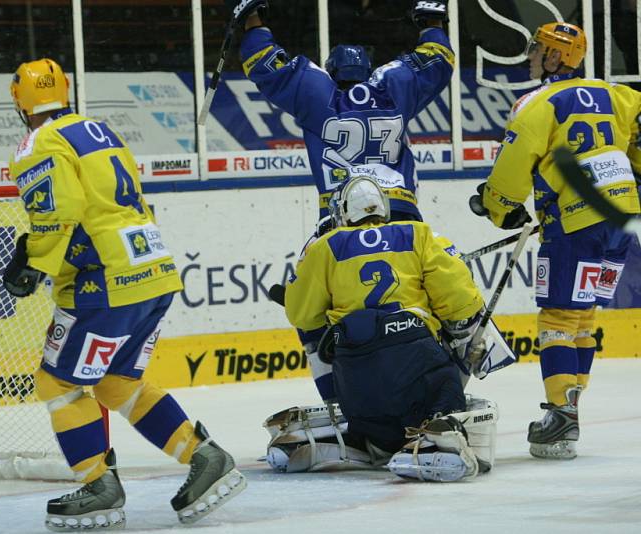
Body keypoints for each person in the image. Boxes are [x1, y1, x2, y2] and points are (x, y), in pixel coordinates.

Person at [4, 58, 246, 530]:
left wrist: (35, 262)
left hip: (105, 280)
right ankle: (204, 456)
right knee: (116, 382)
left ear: (20, 101)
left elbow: (61, 208)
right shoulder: (97, 129)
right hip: (152, 270)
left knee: (58, 382)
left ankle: (98, 485)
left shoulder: (39, 142)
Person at [226, 0, 457, 405]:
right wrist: (431, 22)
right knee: (449, 297)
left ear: (333, 74)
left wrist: (251, 21)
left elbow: (264, 62)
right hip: (404, 219)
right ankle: (458, 374)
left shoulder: (319, 95)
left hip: (339, 226)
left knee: (309, 318)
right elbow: (437, 60)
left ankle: (340, 404)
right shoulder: (394, 89)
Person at [469, 22, 641, 460]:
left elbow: (513, 162)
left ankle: (561, 415)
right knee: (582, 317)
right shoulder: (617, 94)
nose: (529, 57)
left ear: (555, 56)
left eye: (536, 49)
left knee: (558, 319)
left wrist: (498, 205)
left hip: (576, 221)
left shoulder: (536, 103)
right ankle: (570, 407)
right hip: (622, 218)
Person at [276, 172, 498, 482]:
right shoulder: (418, 234)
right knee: (453, 360)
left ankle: (371, 440)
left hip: (356, 383)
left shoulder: (324, 247)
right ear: (384, 208)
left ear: (341, 212)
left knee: (323, 344)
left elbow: (302, 316)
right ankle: (441, 427)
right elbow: (462, 303)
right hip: (418, 363)